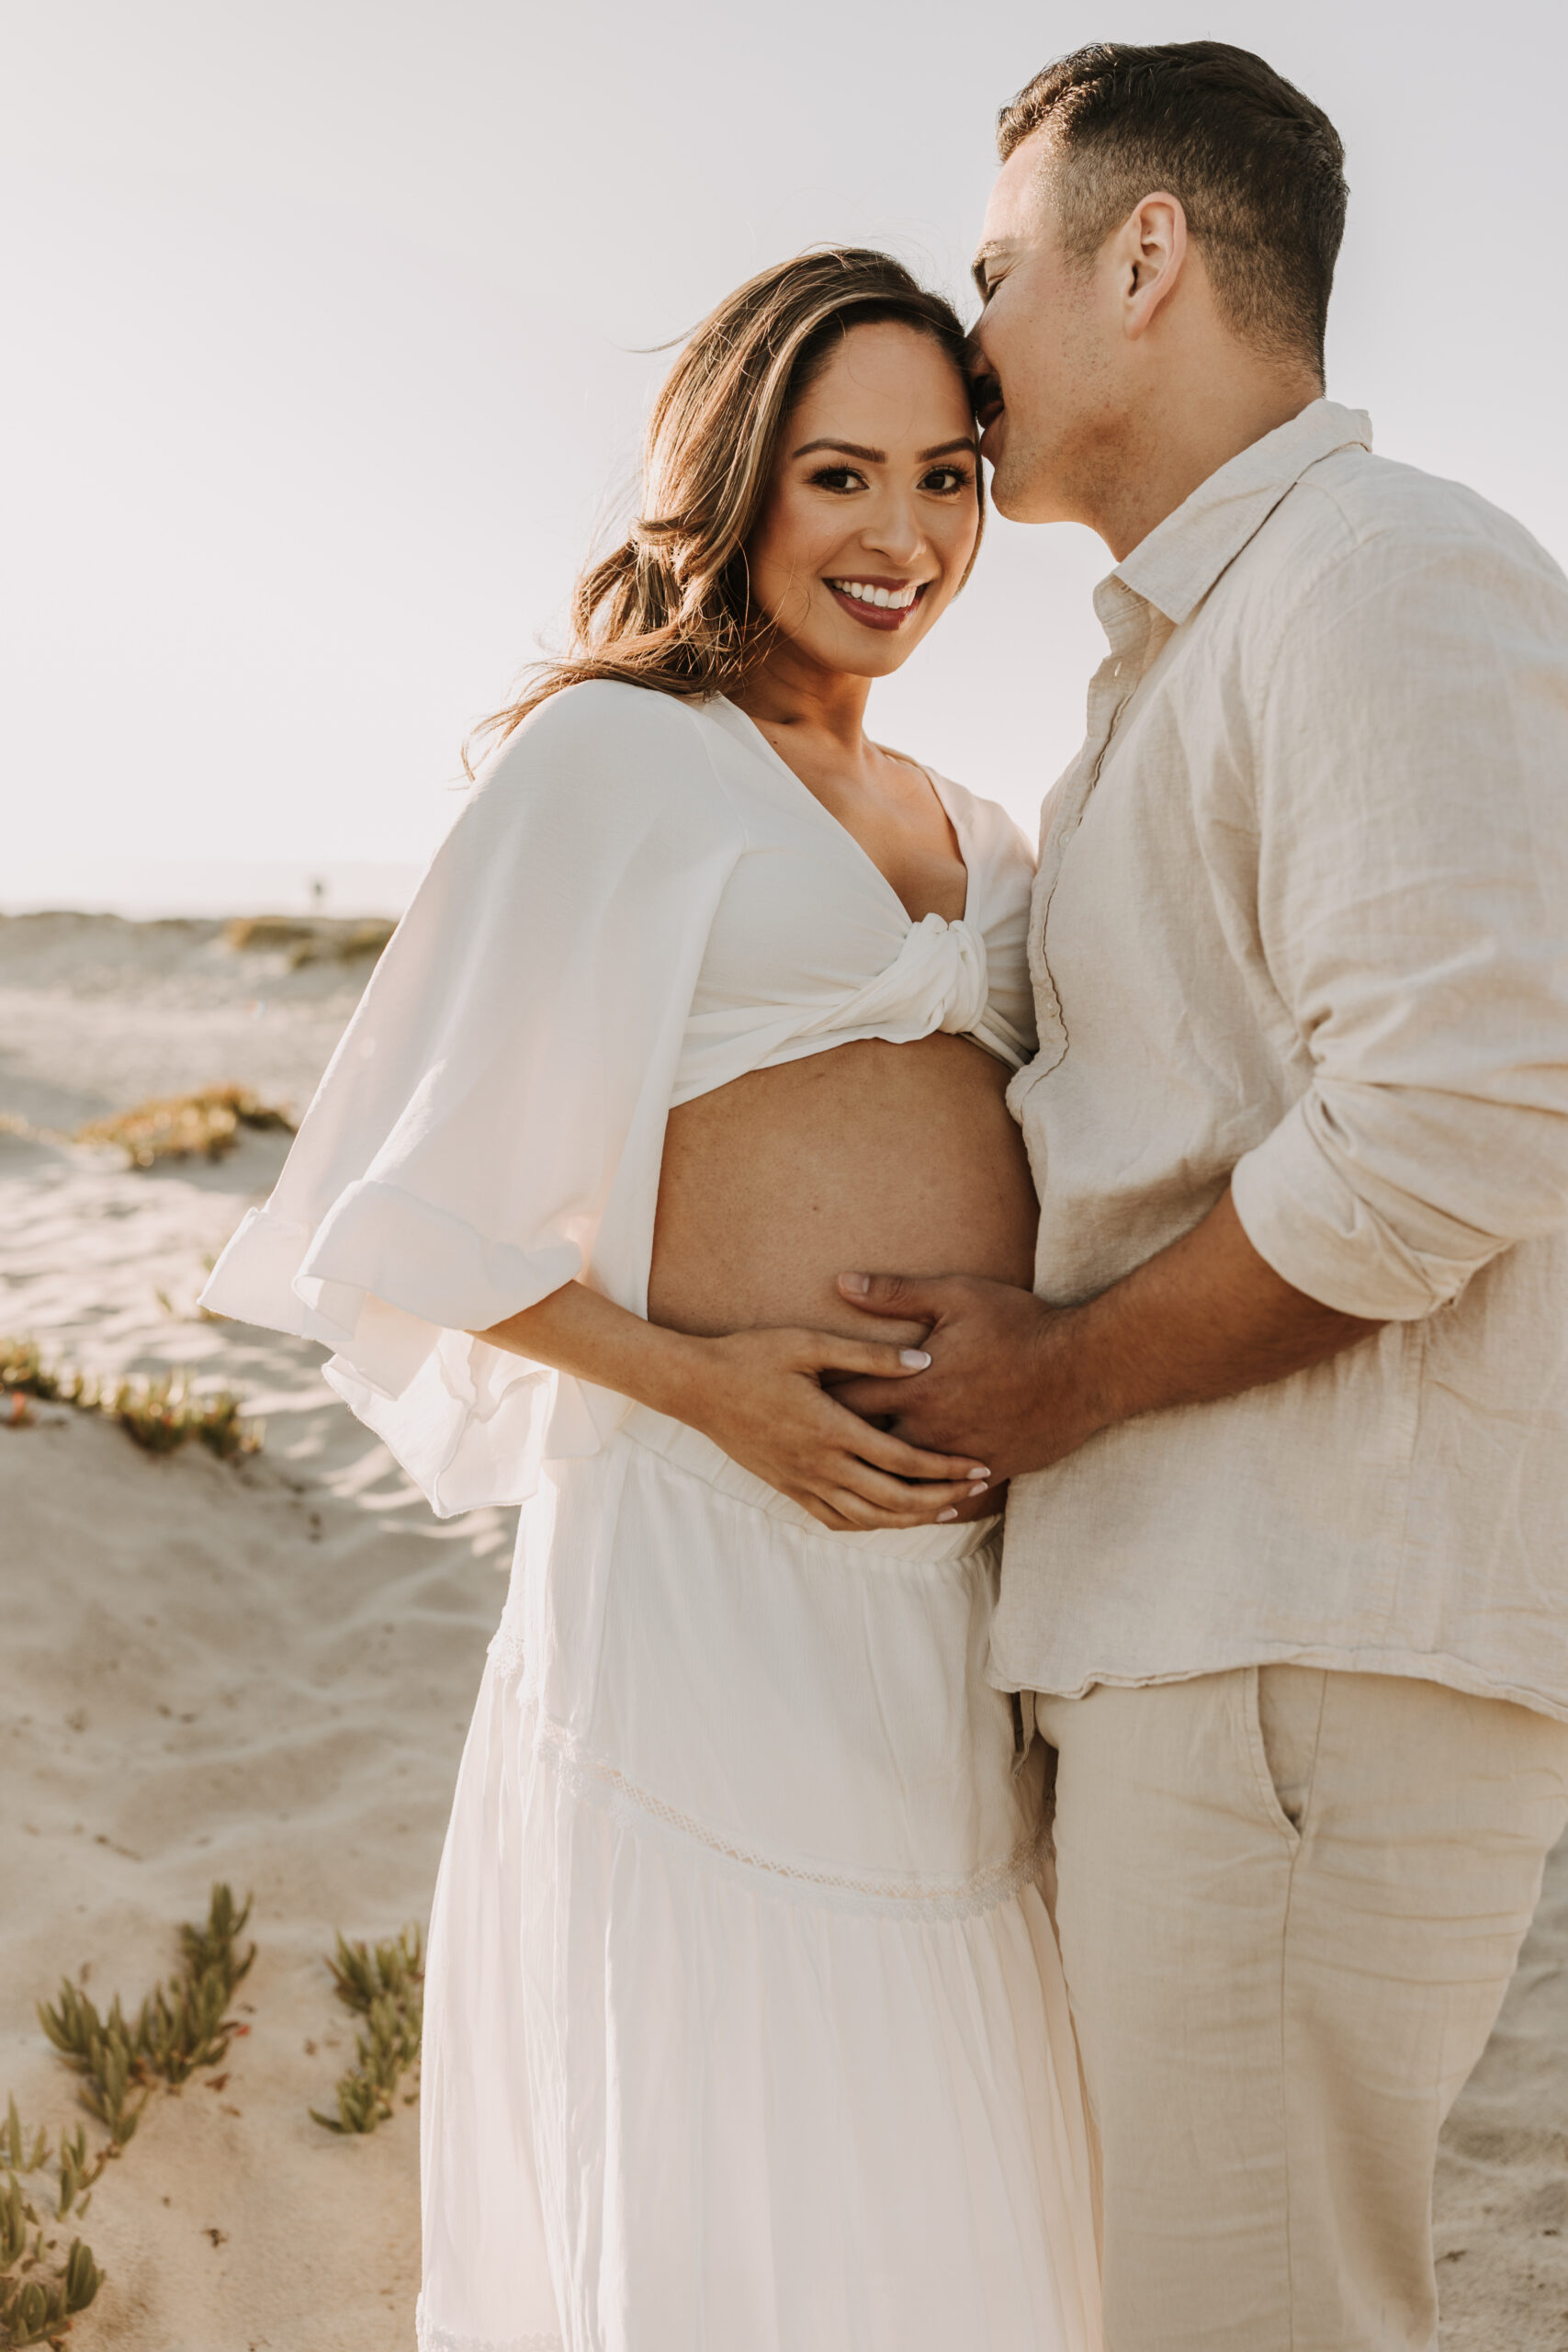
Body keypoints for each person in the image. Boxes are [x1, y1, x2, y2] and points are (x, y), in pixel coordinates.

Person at [201, 251, 1102, 2352]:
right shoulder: (614, 755)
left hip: (942, 1593)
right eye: (837, 474)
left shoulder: (973, 820)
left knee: (939, 2116)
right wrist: (703, 1387)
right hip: (701, 1560)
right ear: (735, 478)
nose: (901, 538)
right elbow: (390, 1199)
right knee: (730, 2110)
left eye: (947, 477)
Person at [829, 40, 1568, 2352]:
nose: (963, 343)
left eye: (993, 272)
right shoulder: (1178, 652)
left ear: (1142, 256)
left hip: (1292, 1657)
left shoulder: (1379, 570)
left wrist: (1054, 1375)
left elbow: (1461, 1105)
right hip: (1206, 1648)